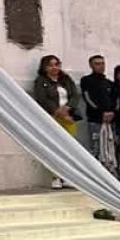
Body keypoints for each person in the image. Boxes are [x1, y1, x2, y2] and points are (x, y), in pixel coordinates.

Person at [31, 54, 82, 190]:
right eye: (51, 65)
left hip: (69, 117)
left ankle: (67, 176)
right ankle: (56, 177)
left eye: (56, 64)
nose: (54, 67)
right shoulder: (41, 81)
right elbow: (42, 99)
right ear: (45, 67)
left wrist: (68, 108)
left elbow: (75, 95)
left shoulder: (66, 79)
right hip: (52, 117)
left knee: (69, 148)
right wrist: (58, 111)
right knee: (55, 147)